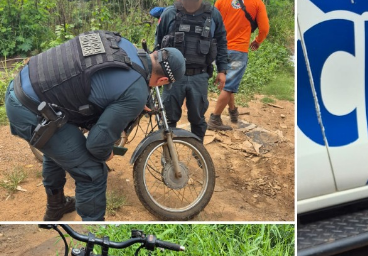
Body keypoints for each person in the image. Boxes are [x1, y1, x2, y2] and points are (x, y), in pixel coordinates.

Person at [5, 32, 186, 221]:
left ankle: (56, 206)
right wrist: (106, 154)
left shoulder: (124, 45)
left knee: (58, 148)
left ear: (156, 53)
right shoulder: (136, 92)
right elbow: (96, 145)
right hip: (30, 110)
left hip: (23, 85)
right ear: (163, 81)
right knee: (93, 171)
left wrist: (134, 97)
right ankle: (93, 230)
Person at [156, 0, 231, 139]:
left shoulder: (213, 15)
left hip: (199, 75)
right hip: (172, 77)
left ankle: (198, 150)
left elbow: (221, 42)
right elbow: (158, 44)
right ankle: (167, 151)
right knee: (168, 119)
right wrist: (155, 73)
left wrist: (222, 70)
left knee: (197, 119)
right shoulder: (169, 13)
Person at [211, 0, 269, 127]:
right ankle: (215, 118)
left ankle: (233, 111)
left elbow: (211, 22)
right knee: (229, 86)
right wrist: (258, 41)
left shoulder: (221, 1)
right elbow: (264, 29)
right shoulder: (257, 3)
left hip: (219, 48)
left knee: (228, 82)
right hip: (238, 50)